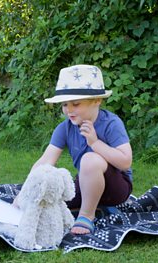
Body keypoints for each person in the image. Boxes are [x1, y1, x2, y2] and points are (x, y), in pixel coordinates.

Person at [23, 64, 133, 235]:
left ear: (97, 101)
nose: (69, 110)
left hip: (116, 188)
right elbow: (45, 162)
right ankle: (79, 207)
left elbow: (125, 162)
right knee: (53, 197)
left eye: (75, 104)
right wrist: (25, 192)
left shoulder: (112, 123)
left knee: (90, 159)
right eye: (65, 104)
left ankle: (86, 216)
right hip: (86, 183)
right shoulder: (64, 128)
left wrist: (95, 143)